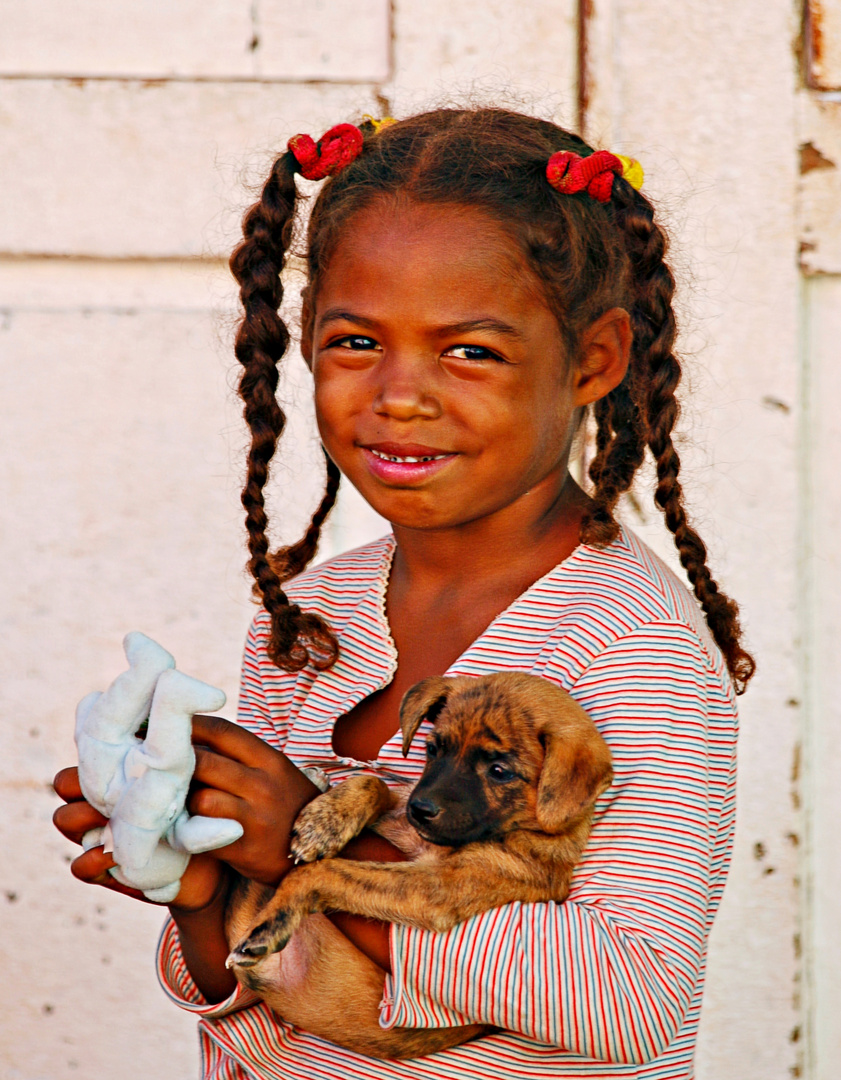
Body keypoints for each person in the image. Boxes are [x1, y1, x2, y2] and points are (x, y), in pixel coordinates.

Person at [53, 107, 755, 1079]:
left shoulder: (636, 650)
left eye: (468, 350)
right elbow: (252, 999)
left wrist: (302, 849)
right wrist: (196, 870)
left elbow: (630, 1003)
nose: (399, 395)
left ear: (595, 358)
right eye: (354, 342)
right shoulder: (311, 619)